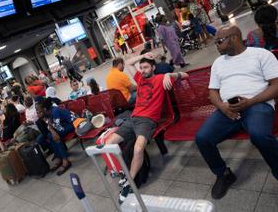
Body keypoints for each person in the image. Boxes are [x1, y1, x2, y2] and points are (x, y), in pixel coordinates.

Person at [195, 25, 278, 200]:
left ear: (233, 38)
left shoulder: (261, 55)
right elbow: (212, 92)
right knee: (202, 138)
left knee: (259, 135)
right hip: (227, 109)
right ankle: (223, 174)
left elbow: (276, 85)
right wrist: (222, 106)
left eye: (219, 41)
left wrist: (251, 101)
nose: (216, 45)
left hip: (257, 105)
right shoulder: (218, 63)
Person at [105, 52, 189, 203]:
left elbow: (185, 75)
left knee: (138, 148)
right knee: (109, 143)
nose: (142, 70)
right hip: (133, 118)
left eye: (146, 67)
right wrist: (144, 55)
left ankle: (130, 183)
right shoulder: (139, 78)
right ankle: (124, 173)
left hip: (147, 121)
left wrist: (167, 75)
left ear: (153, 68)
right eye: (141, 67)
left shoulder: (159, 78)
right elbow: (129, 62)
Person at [36, 98, 76, 175]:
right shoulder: (48, 112)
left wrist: (52, 129)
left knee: (54, 135)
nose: (38, 112)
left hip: (73, 123)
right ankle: (60, 156)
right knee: (50, 135)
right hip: (65, 124)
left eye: (39, 110)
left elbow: (57, 127)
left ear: (44, 109)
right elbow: (51, 125)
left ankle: (65, 160)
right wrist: (51, 128)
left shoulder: (54, 111)